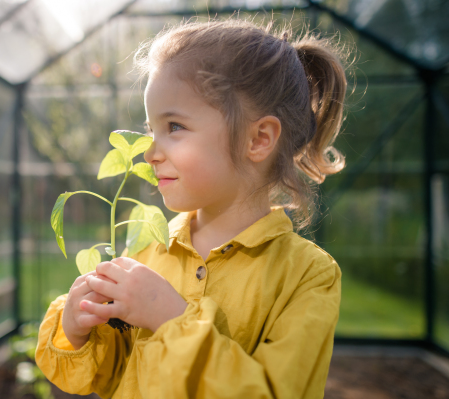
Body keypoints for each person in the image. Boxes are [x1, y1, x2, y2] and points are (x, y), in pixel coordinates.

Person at [36, 18, 348, 399]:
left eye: (175, 127)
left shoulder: (306, 276)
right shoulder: (147, 250)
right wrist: (78, 327)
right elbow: (112, 376)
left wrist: (170, 318)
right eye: (151, 130)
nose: (150, 152)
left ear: (259, 139)